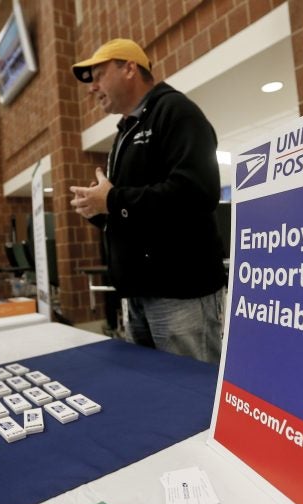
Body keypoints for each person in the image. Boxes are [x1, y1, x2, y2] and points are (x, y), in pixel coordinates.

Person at [70, 39, 226, 363]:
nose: (92, 88)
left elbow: (197, 192)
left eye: (98, 75)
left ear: (129, 68)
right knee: (157, 398)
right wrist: (100, 210)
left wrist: (112, 199)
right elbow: (137, 211)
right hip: (138, 297)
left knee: (193, 397)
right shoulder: (125, 133)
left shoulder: (175, 112)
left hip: (180, 294)